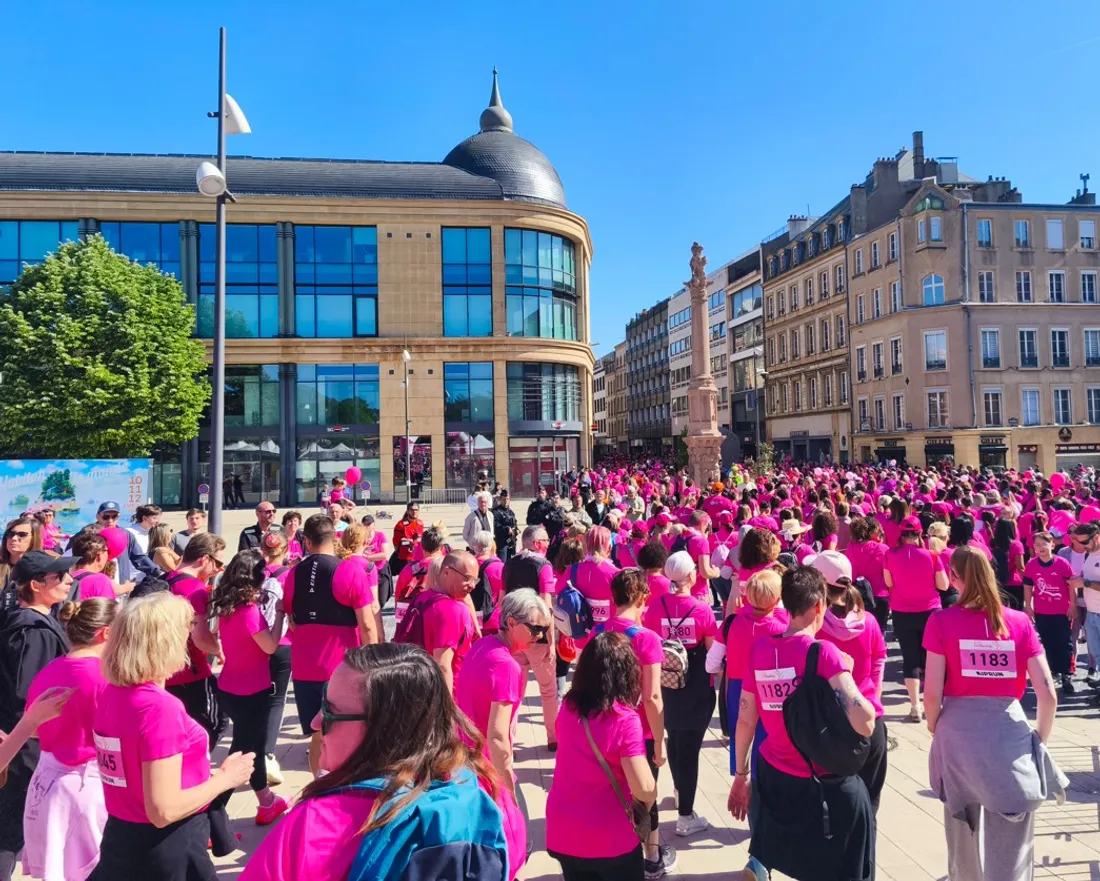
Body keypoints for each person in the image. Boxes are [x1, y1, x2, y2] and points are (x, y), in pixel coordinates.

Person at [238, 644, 516, 881]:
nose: (315, 723)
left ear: (384, 729)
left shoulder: (311, 826)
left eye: (329, 711)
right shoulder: (491, 794)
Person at [88, 593, 254, 881]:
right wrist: (226, 779)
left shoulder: (112, 694)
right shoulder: (159, 708)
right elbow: (163, 810)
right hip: (169, 844)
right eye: (185, 631)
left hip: (122, 837)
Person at [924, 546, 1065, 881]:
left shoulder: (941, 621)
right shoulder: (1018, 622)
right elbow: (1048, 694)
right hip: (1007, 733)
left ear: (954, 578)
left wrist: (935, 726)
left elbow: (932, 693)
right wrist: (1038, 740)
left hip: (957, 734)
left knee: (961, 834)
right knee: (1013, 842)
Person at [728, 565, 877, 881]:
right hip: (822, 780)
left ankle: (761, 863)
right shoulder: (823, 652)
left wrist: (741, 774)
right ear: (819, 605)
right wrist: (847, 675)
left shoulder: (760, 649)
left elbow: (745, 719)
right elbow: (865, 722)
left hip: (776, 772)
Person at [546, 632, 657, 881]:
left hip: (565, 830)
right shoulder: (624, 719)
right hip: (610, 837)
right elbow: (644, 786)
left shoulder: (568, 707)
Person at [455, 590, 550, 879]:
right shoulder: (507, 665)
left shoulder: (482, 646)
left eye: (544, 630)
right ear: (511, 623)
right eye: (535, 629)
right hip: (489, 770)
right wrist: (508, 792)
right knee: (519, 844)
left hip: (465, 761)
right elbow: (497, 737)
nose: (540, 636)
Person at [22, 597, 117, 881]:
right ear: (107, 633)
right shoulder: (105, 678)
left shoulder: (49, 669)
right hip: (88, 786)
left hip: (46, 782)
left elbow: (34, 728)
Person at [284, 514, 379, 777]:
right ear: (335, 537)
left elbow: (292, 617)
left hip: (304, 666)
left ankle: (318, 786)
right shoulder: (350, 570)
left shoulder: (294, 573)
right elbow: (367, 624)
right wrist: (373, 664)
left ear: (306, 541)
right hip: (342, 666)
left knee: (318, 734)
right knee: (354, 732)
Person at [0, 552, 75, 880]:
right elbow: (28, 696)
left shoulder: (28, 621)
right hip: (24, 748)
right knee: (9, 831)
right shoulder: (34, 631)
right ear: (35, 585)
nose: (68, 581)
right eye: (59, 577)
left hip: (20, 742)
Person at [597, 568, 673, 878]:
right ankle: (652, 856)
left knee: (613, 793)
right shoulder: (647, 639)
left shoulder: (599, 631)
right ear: (642, 598)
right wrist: (660, 741)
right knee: (646, 794)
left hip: (603, 728)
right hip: (638, 732)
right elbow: (652, 697)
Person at [208, 549, 289, 825]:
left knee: (253, 747)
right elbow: (270, 646)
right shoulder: (249, 611)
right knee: (241, 756)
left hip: (230, 686)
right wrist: (280, 615)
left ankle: (266, 801)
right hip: (251, 692)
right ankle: (212, 818)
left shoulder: (227, 608)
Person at [643, 550, 717, 837]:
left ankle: (678, 791)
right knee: (689, 750)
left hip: (665, 682)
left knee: (674, 740)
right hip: (694, 686)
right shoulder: (702, 609)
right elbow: (711, 651)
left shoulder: (655, 606)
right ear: (691, 576)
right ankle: (686, 815)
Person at [811, 551, 889, 812]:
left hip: (829, 724)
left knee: (829, 807)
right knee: (869, 805)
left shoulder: (814, 627)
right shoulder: (869, 622)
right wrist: (873, 697)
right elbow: (879, 660)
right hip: (869, 717)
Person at [884, 515, 949, 722]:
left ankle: (915, 706)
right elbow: (943, 585)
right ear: (921, 533)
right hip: (929, 611)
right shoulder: (932, 556)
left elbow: (888, 582)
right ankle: (935, 703)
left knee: (910, 659)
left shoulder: (890, 555)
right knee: (933, 658)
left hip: (902, 611)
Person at [164, 533, 227, 749]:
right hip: (191, 673)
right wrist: (219, 650)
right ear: (204, 559)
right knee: (214, 723)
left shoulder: (166, 579)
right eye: (217, 563)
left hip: (164, 670)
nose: (219, 569)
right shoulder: (194, 589)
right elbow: (200, 638)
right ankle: (195, 767)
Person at [400, 551, 480, 693]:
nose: (473, 585)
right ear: (447, 572)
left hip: (417, 686)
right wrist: (447, 705)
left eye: (475, 580)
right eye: (467, 578)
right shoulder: (452, 609)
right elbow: (443, 665)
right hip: (448, 692)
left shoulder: (421, 598)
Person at [258, 531, 292, 787]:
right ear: (286, 549)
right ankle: (268, 753)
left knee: (258, 696)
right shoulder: (289, 575)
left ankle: (254, 747)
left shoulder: (254, 573)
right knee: (277, 699)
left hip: (256, 639)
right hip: (282, 642)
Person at [1024, 531, 1077, 694]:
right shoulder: (1031, 565)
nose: (1040, 548)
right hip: (1042, 611)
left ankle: (1067, 674)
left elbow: (1072, 586)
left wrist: (1073, 606)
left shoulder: (1062, 563)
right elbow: (1028, 586)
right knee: (1047, 643)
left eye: (1044, 544)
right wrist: (1028, 606)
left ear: (1052, 545)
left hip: (1062, 611)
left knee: (1064, 642)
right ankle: (1053, 671)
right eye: (1037, 545)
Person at [86, 502, 161, 587]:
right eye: (106, 517)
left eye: (114, 516)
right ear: (98, 516)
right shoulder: (89, 534)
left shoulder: (126, 535)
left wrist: (158, 572)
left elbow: (139, 557)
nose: (110, 520)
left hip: (122, 585)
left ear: (118, 517)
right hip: (96, 586)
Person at [845, 517, 890, 634]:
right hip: (879, 596)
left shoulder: (850, 547)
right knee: (879, 634)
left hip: (857, 596)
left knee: (859, 633)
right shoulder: (883, 549)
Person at [573, 526, 620, 629]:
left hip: (581, 632)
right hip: (609, 633)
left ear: (585, 547)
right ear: (609, 548)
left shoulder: (572, 570)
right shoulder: (617, 574)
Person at [70, 530, 131, 600]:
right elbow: (108, 606)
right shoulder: (100, 581)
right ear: (99, 556)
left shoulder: (68, 578)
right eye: (107, 551)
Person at [502, 525, 556, 601]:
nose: (548, 544)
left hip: (511, 607)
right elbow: (546, 601)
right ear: (537, 543)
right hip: (534, 608)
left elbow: (501, 599)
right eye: (546, 540)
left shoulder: (508, 563)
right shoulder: (544, 566)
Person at [0, 517, 42, 614]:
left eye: (22, 535)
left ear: (34, 538)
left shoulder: (42, 572)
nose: (14, 538)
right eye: (10, 534)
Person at [390, 502, 424, 577]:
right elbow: (396, 544)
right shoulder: (400, 525)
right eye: (412, 510)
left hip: (417, 557)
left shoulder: (420, 523)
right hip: (404, 559)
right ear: (408, 511)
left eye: (416, 510)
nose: (414, 512)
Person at [493, 489, 518, 564]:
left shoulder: (511, 512)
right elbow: (495, 526)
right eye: (504, 499)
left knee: (510, 564)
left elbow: (514, 524)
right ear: (500, 499)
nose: (506, 501)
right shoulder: (496, 512)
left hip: (510, 541)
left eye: (507, 499)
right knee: (502, 563)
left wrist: (516, 530)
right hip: (501, 542)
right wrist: (506, 529)